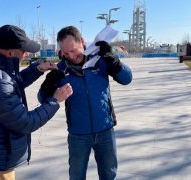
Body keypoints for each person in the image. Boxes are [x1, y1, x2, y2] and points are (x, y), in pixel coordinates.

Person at [0, 24, 73, 180]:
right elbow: (25, 122)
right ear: (10, 53)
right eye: (23, 51)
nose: (25, 54)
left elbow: (10, 84)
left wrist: (36, 69)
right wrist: (55, 101)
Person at [38, 26, 133, 180]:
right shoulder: (61, 70)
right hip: (78, 134)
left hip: (105, 130)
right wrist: (49, 85)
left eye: (73, 50)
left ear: (82, 42)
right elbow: (42, 98)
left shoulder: (102, 61)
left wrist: (114, 61)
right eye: (65, 53)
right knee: (76, 176)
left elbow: (127, 79)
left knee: (109, 174)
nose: (70, 56)